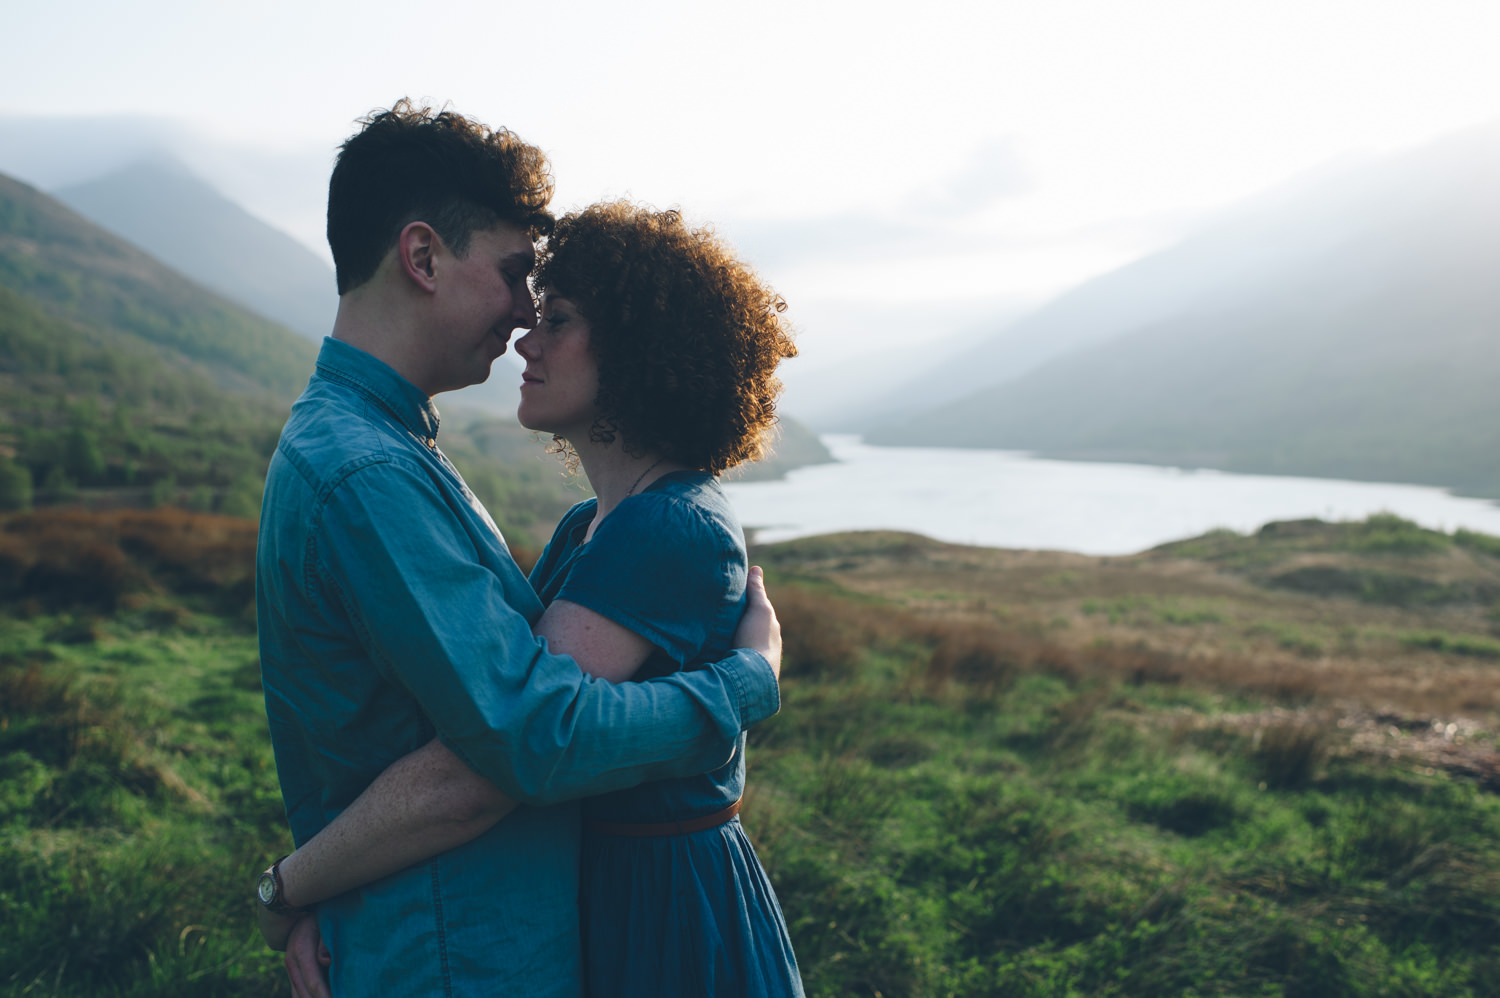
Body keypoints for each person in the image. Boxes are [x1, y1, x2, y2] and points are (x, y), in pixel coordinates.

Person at [254, 102, 784, 998]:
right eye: (511, 276)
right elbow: (529, 737)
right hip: (456, 954)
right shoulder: (368, 472)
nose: (521, 317)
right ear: (422, 258)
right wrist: (744, 686)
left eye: (553, 310)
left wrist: (305, 881)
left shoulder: (389, 449)